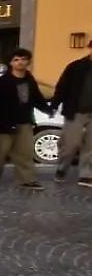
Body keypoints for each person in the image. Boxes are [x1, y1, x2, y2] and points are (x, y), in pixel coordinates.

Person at [0, 48, 49, 190]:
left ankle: (27, 179)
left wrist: (48, 109)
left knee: (25, 153)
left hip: (24, 121)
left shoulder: (29, 79)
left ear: (28, 61)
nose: (20, 62)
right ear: (11, 63)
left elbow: (37, 98)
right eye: (16, 60)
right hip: (3, 121)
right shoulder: (3, 81)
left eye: (23, 59)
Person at [51, 39, 92, 187]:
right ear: (90, 48)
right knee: (70, 143)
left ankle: (86, 174)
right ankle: (62, 167)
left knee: (90, 145)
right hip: (76, 111)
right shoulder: (76, 67)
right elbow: (62, 86)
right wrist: (54, 104)